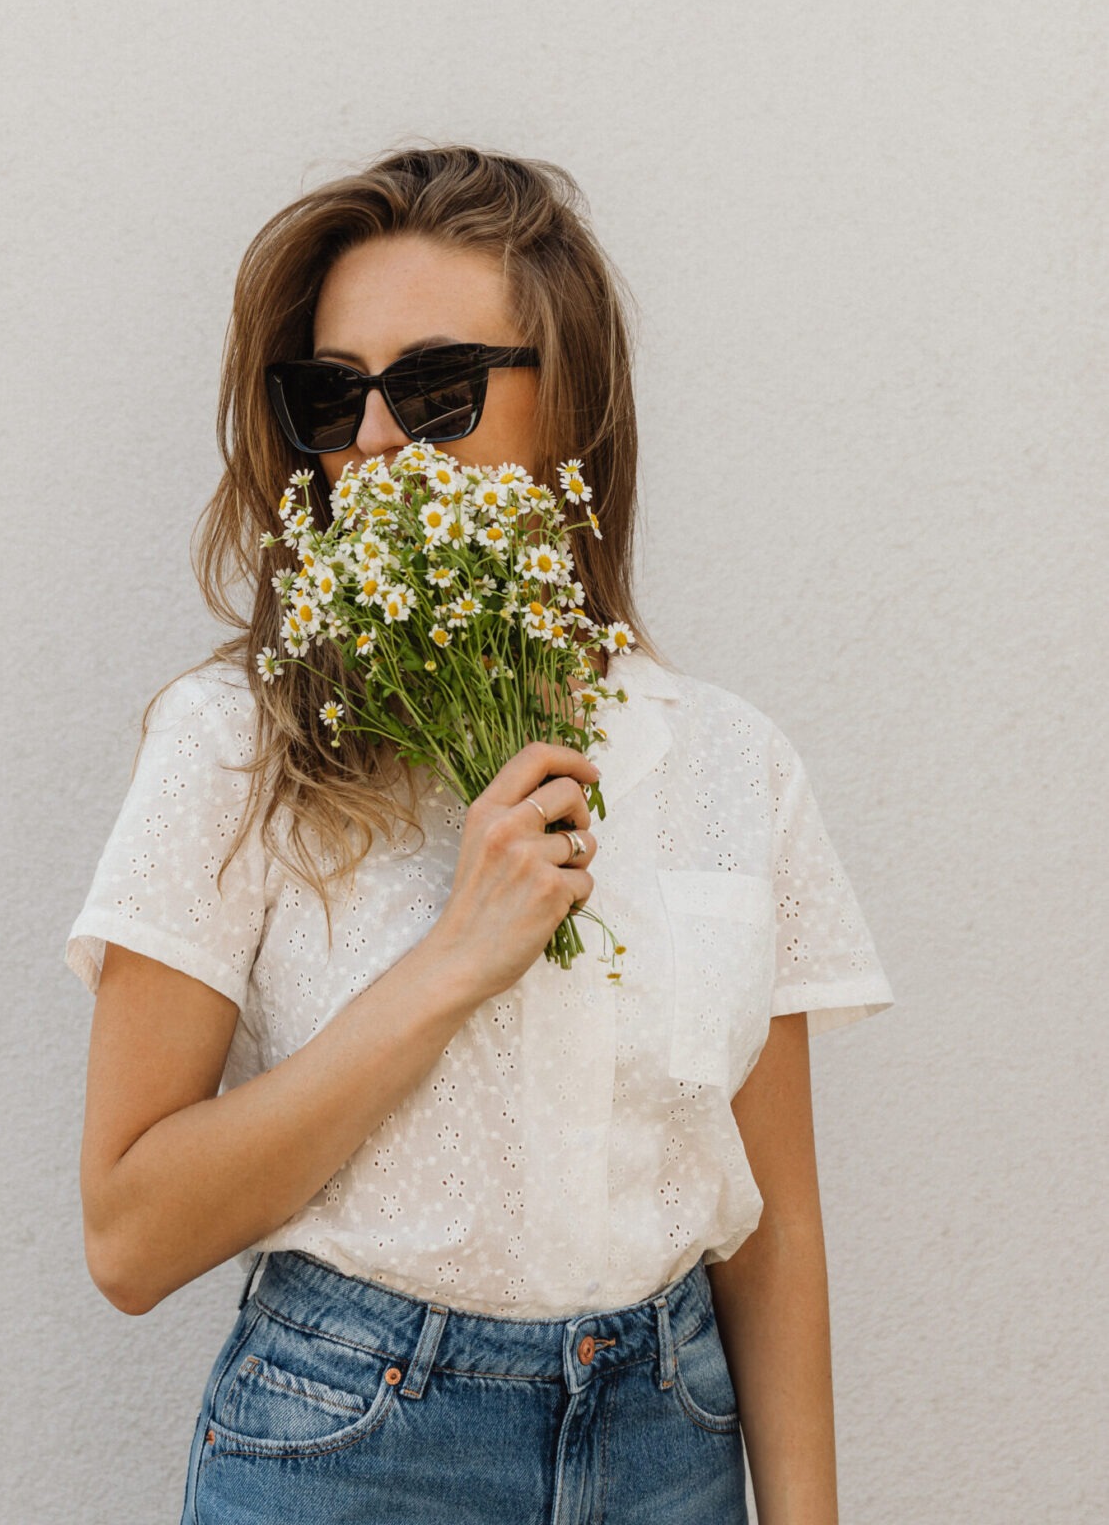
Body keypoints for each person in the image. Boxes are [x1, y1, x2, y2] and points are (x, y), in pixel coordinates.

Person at [64, 144, 895, 1524]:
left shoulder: (727, 762)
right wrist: (453, 961)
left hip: (669, 1441)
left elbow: (773, 1229)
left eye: (438, 389)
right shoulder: (236, 745)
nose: (379, 440)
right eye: (333, 395)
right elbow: (129, 1235)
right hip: (354, 1448)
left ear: (569, 403)